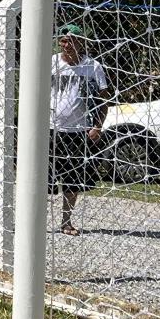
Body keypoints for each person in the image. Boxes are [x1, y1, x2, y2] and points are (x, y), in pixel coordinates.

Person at [48, 23, 111, 236]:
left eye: (71, 40)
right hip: (48, 130)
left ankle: (66, 221)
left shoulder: (92, 67)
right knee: (42, 179)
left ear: (81, 42)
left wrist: (97, 126)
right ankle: (35, 221)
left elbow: (104, 100)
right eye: (63, 40)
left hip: (78, 131)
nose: (67, 44)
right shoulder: (50, 63)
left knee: (73, 181)